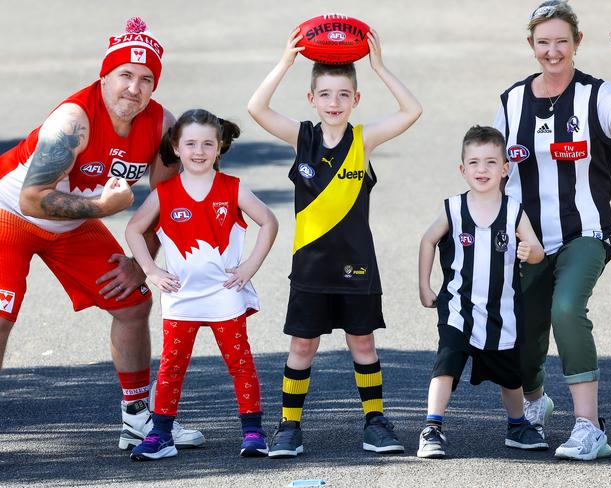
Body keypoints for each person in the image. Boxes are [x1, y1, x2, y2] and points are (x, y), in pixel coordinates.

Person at [0, 17, 204, 450]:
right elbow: (35, 198)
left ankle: (136, 418)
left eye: (145, 79)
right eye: (124, 76)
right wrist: (101, 208)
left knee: (133, 302)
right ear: (104, 76)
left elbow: (167, 202)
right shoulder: (72, 120)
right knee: (0, 318)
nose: (134, 88)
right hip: (9, 214)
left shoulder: (161, 124)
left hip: (71, 223)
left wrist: (140, 263)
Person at [247, 27, 422, 457]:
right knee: (302, 346)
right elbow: (256, 107)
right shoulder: (301, 138)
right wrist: (286, 62)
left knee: (363, 343)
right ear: (312, 99)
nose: (334, 103)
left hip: (358, 266)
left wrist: (378, 67)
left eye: (344, 95)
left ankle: (375, 423)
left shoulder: (364, 141)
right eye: (325, 95)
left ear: (356, 100)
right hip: (310, 268)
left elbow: (412, 110)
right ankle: (288, 426)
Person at [494, 0, 611, 460]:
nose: (553, 51)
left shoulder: (596, 95)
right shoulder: (512, 99)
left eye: (562, 41)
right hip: (529, 238)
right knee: (522, 338)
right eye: (544, 42)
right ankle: (537, 401)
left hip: (585, 234)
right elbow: (494, 170)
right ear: (531, 46)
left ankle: (589, 428)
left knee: (566, 309)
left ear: (577, 43)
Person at [125, 109, 279, 460]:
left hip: (225, 294)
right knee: (171, 366)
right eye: (190, 143)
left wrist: (249, 268)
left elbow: (268, 222)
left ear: (220, 146)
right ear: (176, 148)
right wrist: (150, 270)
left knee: (240, 363)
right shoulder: (164, 193)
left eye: (207, 144)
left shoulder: (233, 188)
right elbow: (133, 228)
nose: (199, 151)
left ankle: (253, 432)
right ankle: (162, 435)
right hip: (181, 297)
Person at [417, 125, 547, 459]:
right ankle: (432, 427)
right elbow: (428, 240)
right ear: (462, 170)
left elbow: (537, 250)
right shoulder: (454, 209)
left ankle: (518, 425)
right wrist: (424, 285)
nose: (482, 169)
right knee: (446, 362)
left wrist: (529, 249)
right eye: (474, 162)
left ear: (505, 168)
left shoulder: (513, 211)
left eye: (491, 162)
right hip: (458, 306)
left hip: (501, 312)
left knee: (510, 376)